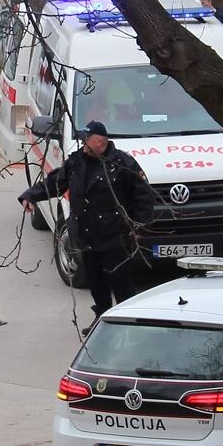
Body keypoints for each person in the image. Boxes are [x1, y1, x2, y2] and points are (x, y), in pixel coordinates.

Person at [18, 121, 154, 335]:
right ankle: (102, 319)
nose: (83, 145)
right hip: (87, 237)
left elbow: (143, 196)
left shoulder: (122, 164)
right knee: (96, 284)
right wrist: (31, 195)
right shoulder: (77, 162)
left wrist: (138, 225)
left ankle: (128, 325)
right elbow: (56, 182)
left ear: (100, 142)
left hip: (114, 238)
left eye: (86, 141)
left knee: (122, 285)